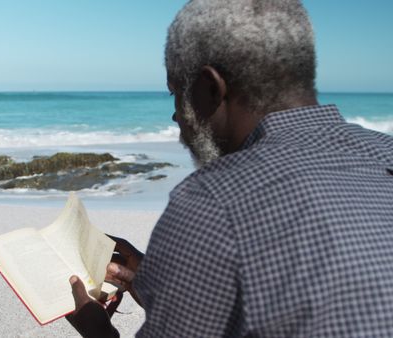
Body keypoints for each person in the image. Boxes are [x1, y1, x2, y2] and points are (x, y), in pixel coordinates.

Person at [66, 0, 393, 337]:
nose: (176, 116)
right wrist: (153, 279)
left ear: (211, 88)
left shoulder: (212, 199)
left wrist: (98, 332)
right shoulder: (386, 150)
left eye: (176, 94)